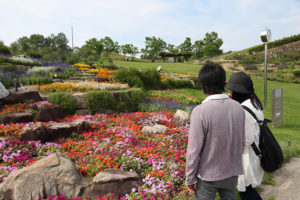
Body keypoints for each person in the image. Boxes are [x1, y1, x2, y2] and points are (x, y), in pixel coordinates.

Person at [186, 62, 245, 200]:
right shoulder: (238, 108)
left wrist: (190, 177)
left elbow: (193, 150)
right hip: (231, 172)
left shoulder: (200, 111)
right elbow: (241, 141)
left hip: (207, 176)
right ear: (224, 83)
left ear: (202, 85)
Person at [225, 71, 264, 200]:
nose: (229, 94)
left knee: (246, 193)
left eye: (230, 92)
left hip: (246, 158)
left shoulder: (243, 110)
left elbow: (246, 140)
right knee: (247, 192)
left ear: (238, 92)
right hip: (253, 154)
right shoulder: (253, 103)